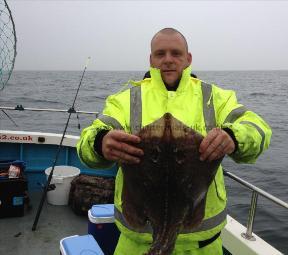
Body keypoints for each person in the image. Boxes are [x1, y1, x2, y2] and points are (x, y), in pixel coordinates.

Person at [77, 27, 272, 255]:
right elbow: (88, 141)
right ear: (151, 59)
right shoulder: (125, 100)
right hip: (135, 245)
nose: (168, 60)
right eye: (160, 54)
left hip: (203, 247)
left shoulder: (215, 97)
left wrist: (234, 137)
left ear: (188, 59)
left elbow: (258, 128)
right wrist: (100, 143)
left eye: (176, 53)